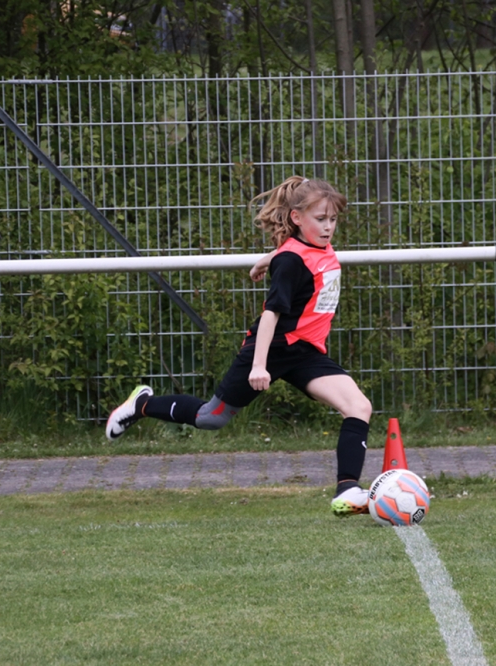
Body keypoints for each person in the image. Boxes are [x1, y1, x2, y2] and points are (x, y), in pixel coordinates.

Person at [104, 176, 373, 516]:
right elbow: (272, 313)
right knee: (210, 418)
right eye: (321, 219)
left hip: (305, 353)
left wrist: (266, 259)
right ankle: (142, 404)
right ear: (296, 218)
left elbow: (297, 255)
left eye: (333, 219)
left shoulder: (310, 248)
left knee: (358, 406)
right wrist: (259, 365)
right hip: (270, 349)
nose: (328, 226)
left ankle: (348, 491)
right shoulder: (290, 261)